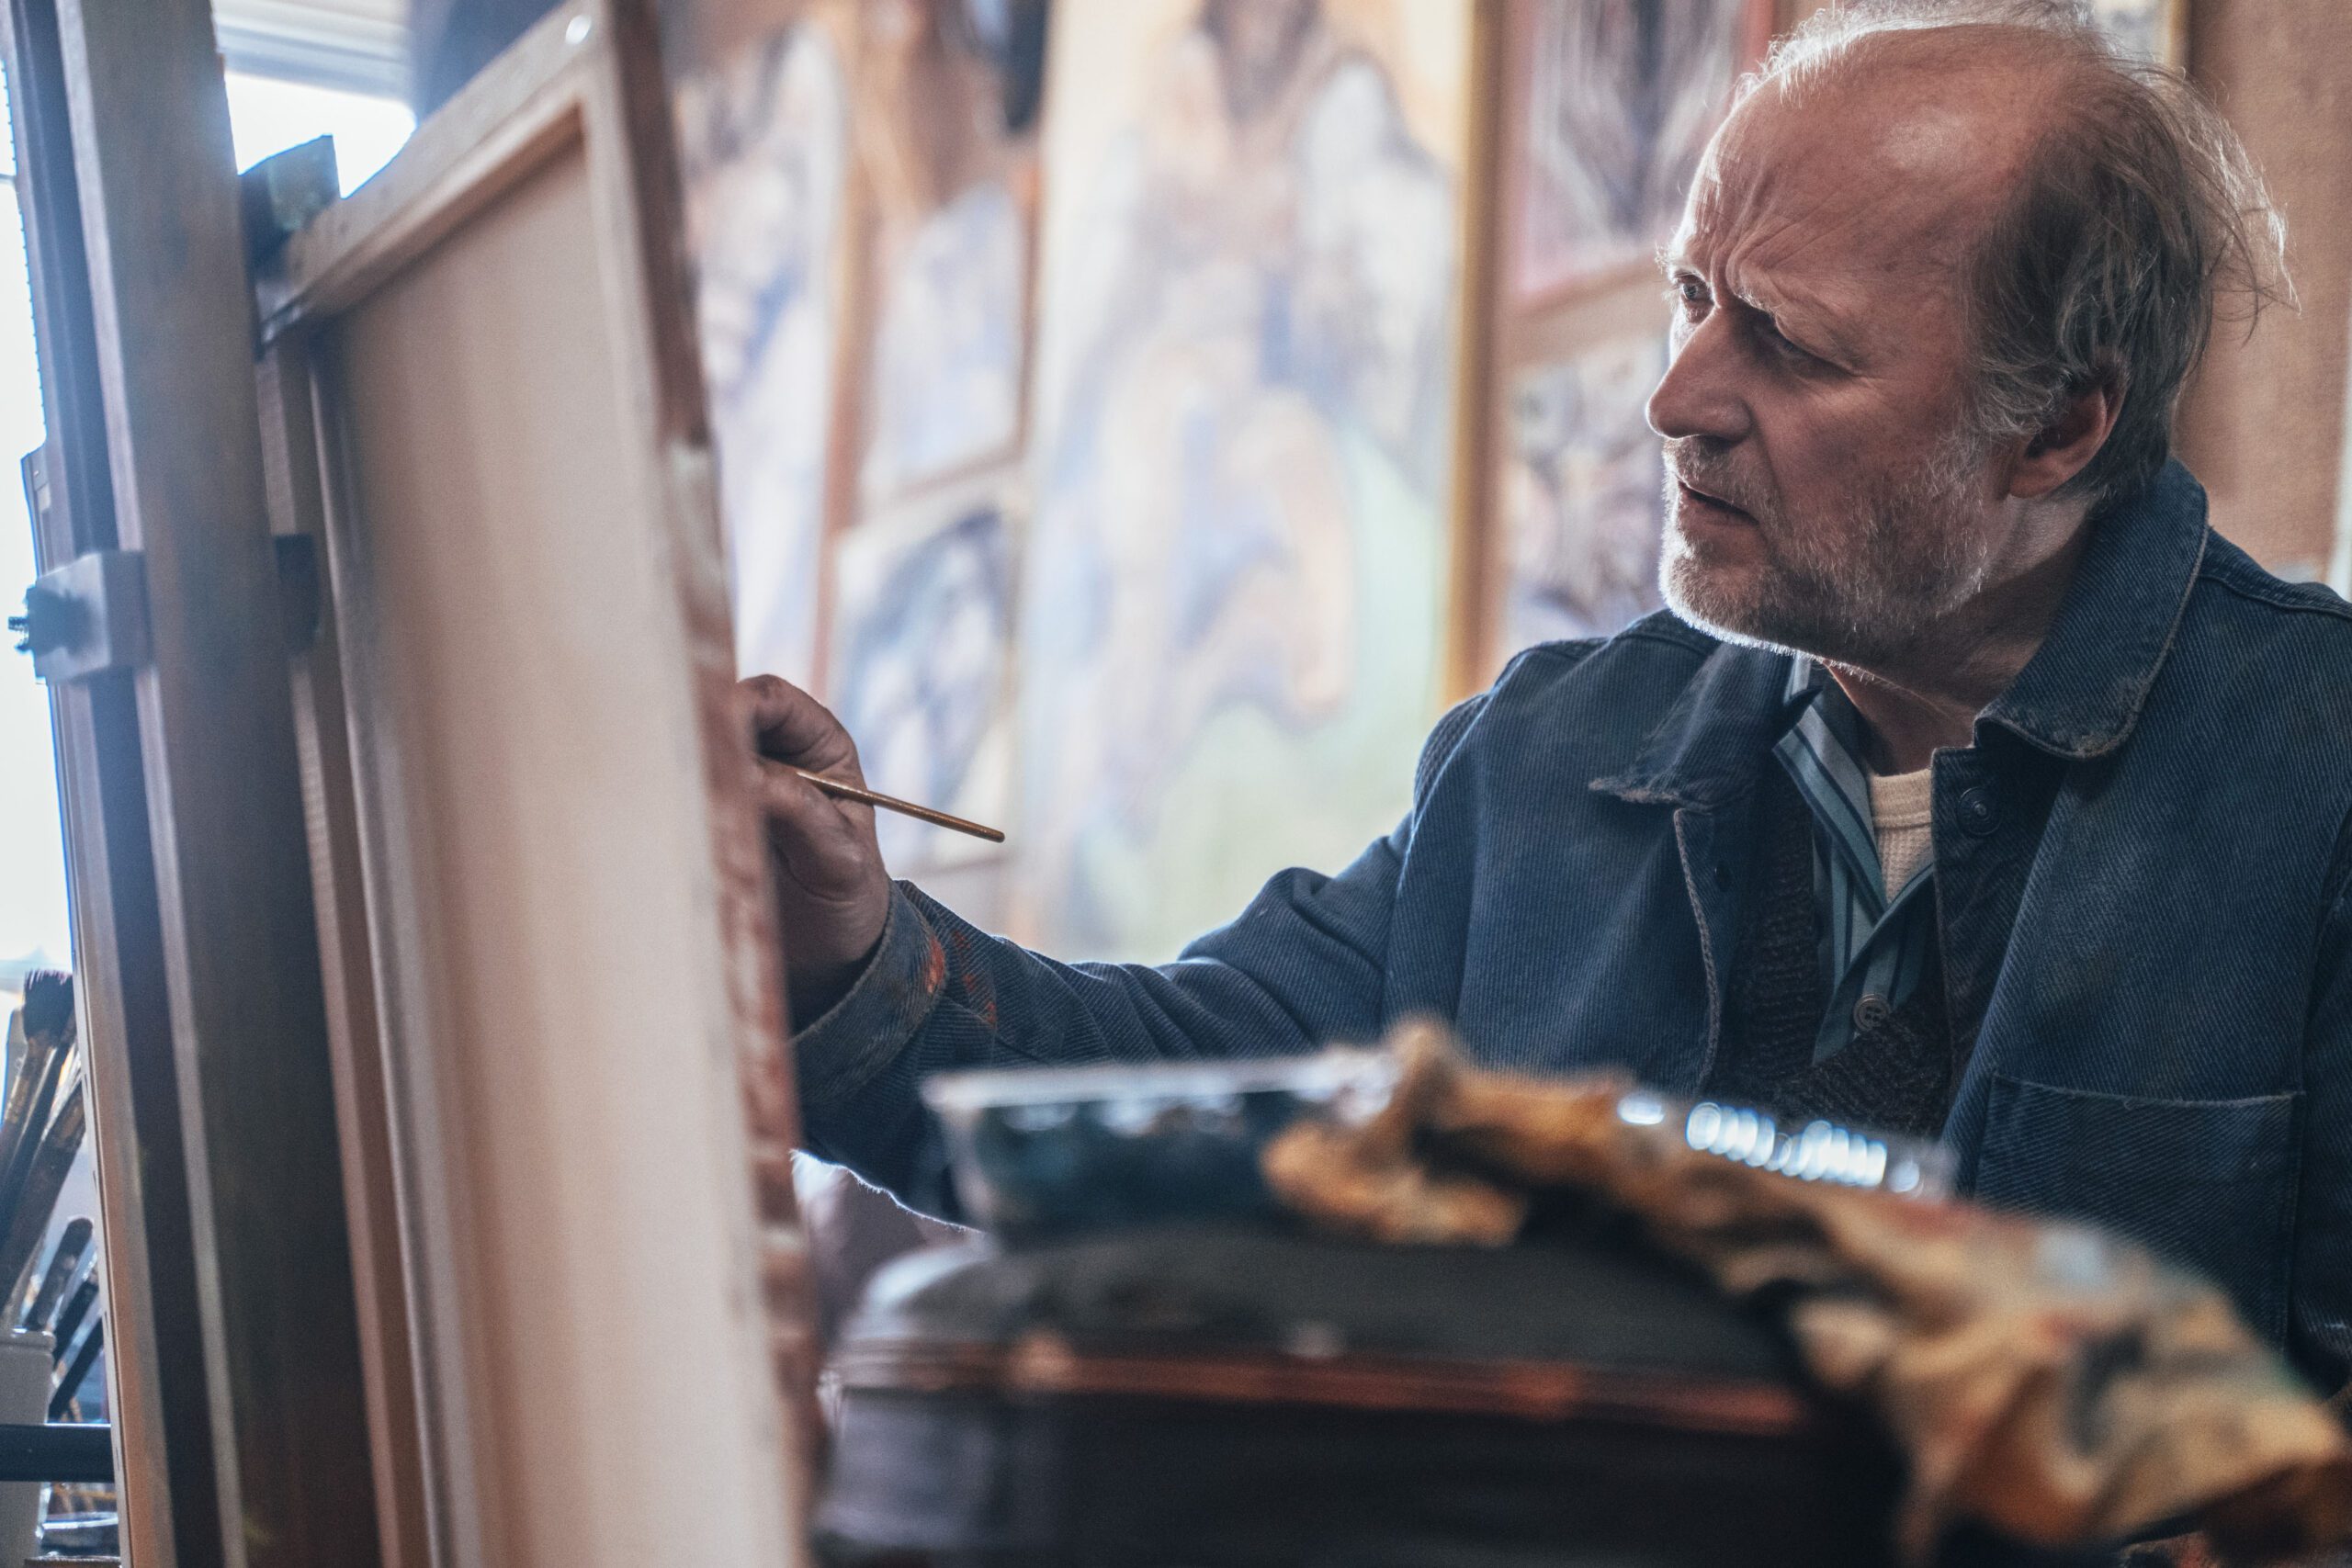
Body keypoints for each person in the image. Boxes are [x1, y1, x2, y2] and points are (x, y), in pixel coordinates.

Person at [743, 0, 2352, 1400]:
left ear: (2057, 430)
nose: (1676, 399)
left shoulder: (2317, 773)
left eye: (1786, 345)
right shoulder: (1548, 763)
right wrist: (852, 955)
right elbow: (1184, 1119)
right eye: (1692, 295)